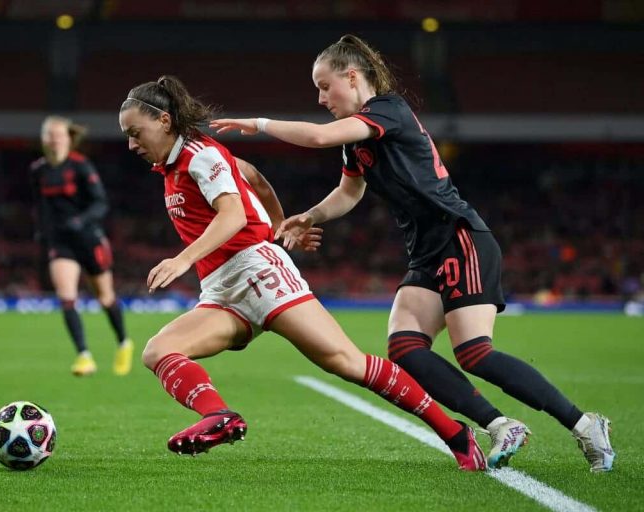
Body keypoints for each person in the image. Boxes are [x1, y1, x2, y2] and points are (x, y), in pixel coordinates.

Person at [210, 34, 615, 473]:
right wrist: (310, 216)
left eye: (325, 86)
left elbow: (317, 136)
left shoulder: (387, 109)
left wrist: (259, 124)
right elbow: (349, 192)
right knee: (404, 347)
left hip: (459, 236)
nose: (321, 97)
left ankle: (585, 424)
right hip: (426, 252)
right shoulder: (357, 140)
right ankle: (498, 424)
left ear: (352, 76)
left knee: (475, 352)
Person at [119, 75, 486, 470]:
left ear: (164, 121)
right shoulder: (181, 163)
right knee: (158, 350)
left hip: (258, 274)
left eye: (136, 132)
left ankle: (454, 432)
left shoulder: (199, 155)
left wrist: (183, 259)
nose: (131, 144)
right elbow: (252, 176)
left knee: (346, 362)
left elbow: (234, 213)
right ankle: (219, 417)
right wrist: (280, 228)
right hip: (223, 289)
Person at [30, 115, 133, 377]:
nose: (53, 139)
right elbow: (40, 206)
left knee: (105, 298)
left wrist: (81, 221)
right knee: (66, 297)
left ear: (68, 138)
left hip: (88, 239)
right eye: (48, 135)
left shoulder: (80, 166)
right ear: (43, 139)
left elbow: (100, 203)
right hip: (60, 242)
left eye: (57, 134)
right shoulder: (38, 170)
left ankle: (123, 342)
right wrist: (42, 231)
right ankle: (84, 356)